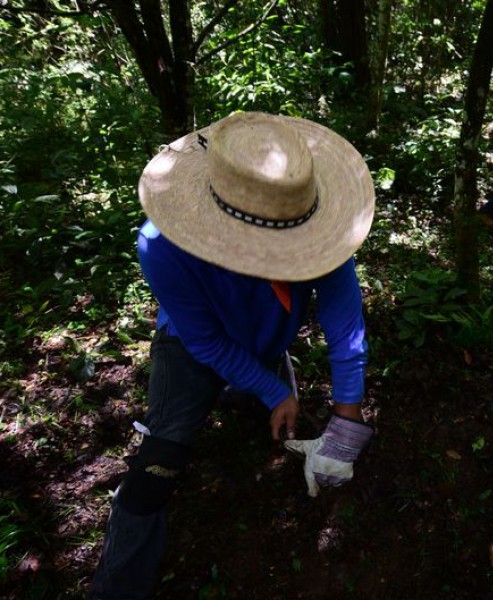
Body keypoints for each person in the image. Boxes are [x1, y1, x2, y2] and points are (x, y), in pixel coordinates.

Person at [88, 112, 376, 599]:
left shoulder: (319, 227)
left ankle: (256, 386)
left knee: (262, 393)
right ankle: (115, 590)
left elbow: (344, 325)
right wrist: (272, 390)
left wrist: (346, 425)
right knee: (160, 459)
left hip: (267, 337)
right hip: (188, 348)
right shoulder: (162, 246)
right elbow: (203, 341)